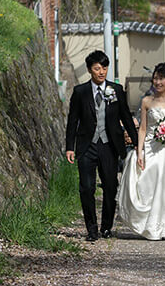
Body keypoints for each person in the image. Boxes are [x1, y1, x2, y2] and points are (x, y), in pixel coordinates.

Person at [65, 50, 138, 242]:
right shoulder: (80, 92)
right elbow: (73, 120)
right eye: (97, 68)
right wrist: (69, 147)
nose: (101, 72)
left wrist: (137, 143)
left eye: (104, 68)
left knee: (110, 186)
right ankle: (91, 229)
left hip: (109, 145)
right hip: (87, 146)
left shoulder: (117, 89)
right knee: (86, 188)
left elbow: (126, 118)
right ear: (90, 70)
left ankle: (106, 227)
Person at [117, 61, 165, 240]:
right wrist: (139, 150)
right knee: (149, 185)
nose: (158, 82)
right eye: (155, 79)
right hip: (152, 146)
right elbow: (143, 128)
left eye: (161, 79)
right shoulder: (146, 101)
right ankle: (151, 226)